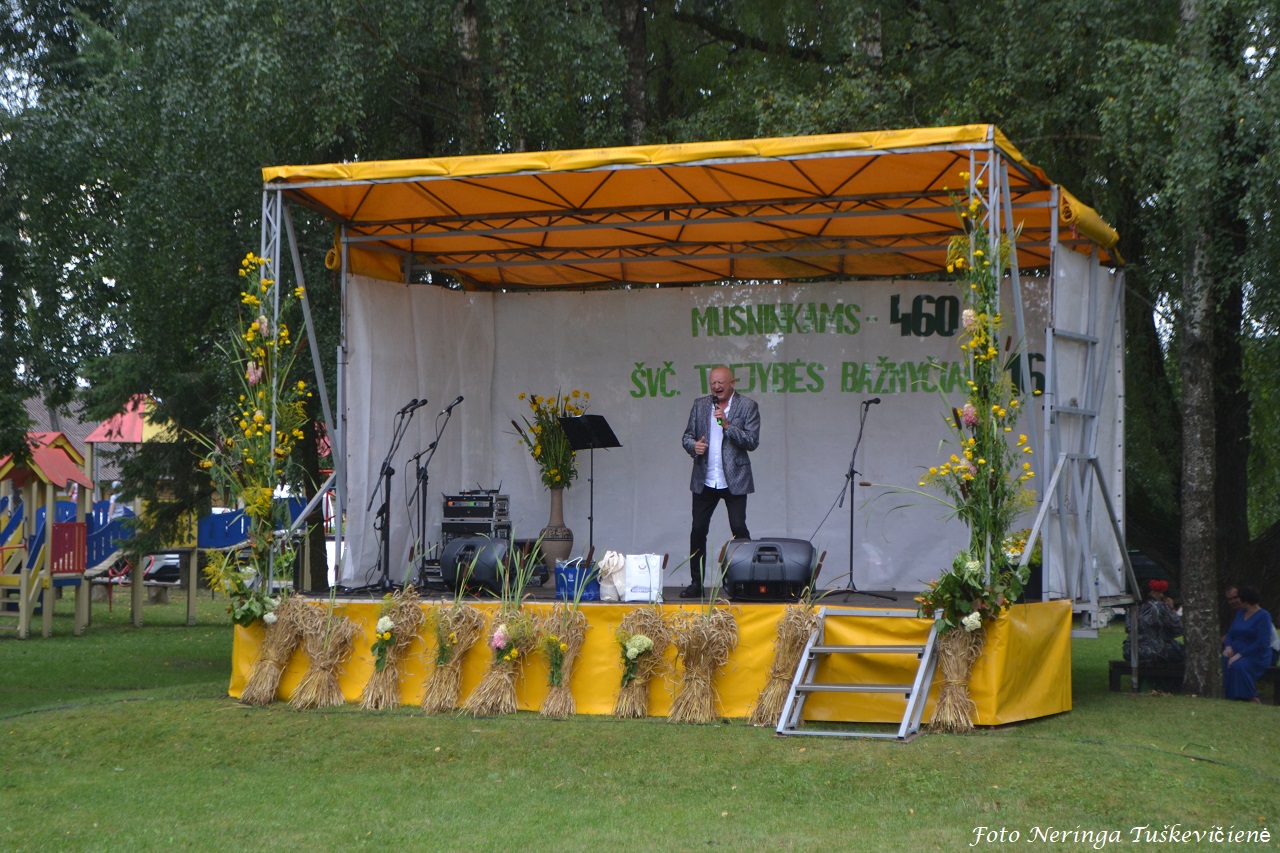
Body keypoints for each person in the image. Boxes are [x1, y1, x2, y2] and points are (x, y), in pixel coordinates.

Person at [680, 365, 760, 599]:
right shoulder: (700, 405)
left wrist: (727, 426)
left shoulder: (748, 406)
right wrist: (694, 446)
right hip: (705, 479)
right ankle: (696, 583)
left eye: (721, 383)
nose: (716, 387)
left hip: (734, 478)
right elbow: (687, 436)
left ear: (732, 383)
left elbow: (752, 441)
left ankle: (747, 582)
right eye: (713, 383)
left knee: (739, 529)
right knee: (698, 530)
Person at [1222, 584, 1274, 702]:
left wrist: (1240, 655)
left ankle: (1251, 697)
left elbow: (1262, 643)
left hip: (1255, 655)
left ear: (1245, 601)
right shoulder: (1240, 613)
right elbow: (1230, 633)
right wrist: (1228, 646)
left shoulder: (1263, 616)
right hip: (1235, 651)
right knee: (1225, 662)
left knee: (1238, 666)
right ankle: (1230, 697)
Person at [1122, 579, 1184, 679]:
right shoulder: (1159, 606)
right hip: (1153, 651)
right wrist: (1171, 609)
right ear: (1153, 593)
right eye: (1160, 592)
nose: (1162, 595)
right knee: (1184, 651)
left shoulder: (1132, 607)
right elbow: (1178, 628)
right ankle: (1172, 684)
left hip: (1130, 651)